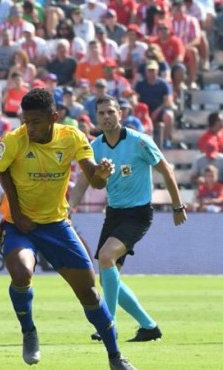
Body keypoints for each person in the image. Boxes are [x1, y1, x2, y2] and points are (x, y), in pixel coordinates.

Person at [0, 89, 136, 370]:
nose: (30, 127)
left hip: (57, 225)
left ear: (54, 117)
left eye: (36, 121)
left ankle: (115, 356)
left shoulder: (72, 137)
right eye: (26, 120)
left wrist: (101, 174)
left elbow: (96, 182)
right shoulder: (14, 140)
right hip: (19, 225)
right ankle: (29, 331)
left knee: (88, 291)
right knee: (21, 271)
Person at [69, 95, 187, 343]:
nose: (106, 117)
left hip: (138, 214)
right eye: (101, 113)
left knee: (106, 257)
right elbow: (82, 183)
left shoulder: (139, 141)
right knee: (108, 277)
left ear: (120, 113)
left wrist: (178, 206)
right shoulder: (96, 147)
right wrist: (69, 209)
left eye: (111, 112)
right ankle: (149, 326)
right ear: (96, 117)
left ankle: (107, 324)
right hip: (114, 214)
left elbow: (166, 169)